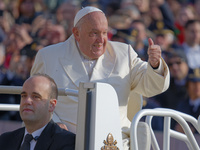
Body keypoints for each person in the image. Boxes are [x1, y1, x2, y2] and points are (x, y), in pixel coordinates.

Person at [31, 6, 170, 149]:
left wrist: (154, 65)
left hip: (114, 142)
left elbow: (152, 86)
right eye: (94, 33)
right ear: (77, 33)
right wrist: (53, 125)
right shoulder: (48, 57)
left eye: (104, 33)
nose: (101, 40)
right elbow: (33, 99)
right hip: (64, 141)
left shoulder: (124, 54)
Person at [0, 74, 75, 150]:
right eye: (24, 96)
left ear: (51, 105)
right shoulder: (5, 140)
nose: (27, 101)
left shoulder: (66, 142)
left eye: (36, 97)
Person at [175, 68, 200, 134]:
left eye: (199, 83)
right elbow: (173, 126)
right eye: (194, 82)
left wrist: (194, 131)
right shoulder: (181, 105)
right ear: (187, 84)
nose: (197, 86)